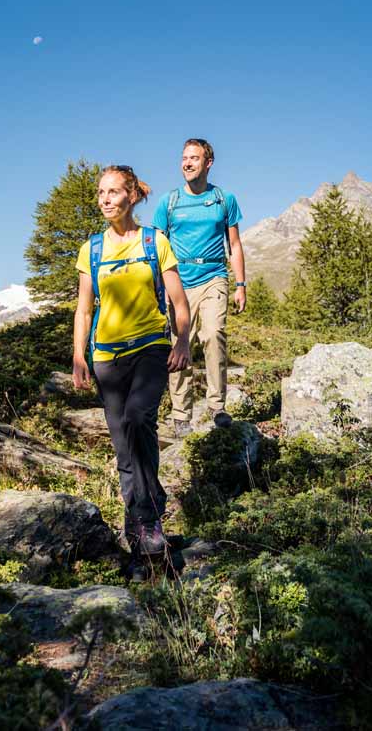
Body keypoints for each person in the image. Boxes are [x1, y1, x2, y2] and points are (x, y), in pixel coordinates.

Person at [72, 165, 191, 577]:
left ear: (131, 197)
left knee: (139, 419)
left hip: (150, 349)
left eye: (113, 193)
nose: (105, 199)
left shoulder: (154, 241)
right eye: (100, 193)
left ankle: (149, 515)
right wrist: (78, 356)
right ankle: (141, 531)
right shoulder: (92, 249)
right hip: (106, 356)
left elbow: (178, 299)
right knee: (124, 446)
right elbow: (84, 307)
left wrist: (182, 340)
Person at [151, 138, 246, 437]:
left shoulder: (223, 199)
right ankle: (181, 416)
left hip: (214, 275)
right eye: (184, 158)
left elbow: (234, 244)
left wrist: (240, 284)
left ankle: (217, 407)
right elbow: (155, 247)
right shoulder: (169, 202)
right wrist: (159, 286)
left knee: (214, 333)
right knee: (181, 345)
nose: (187, 163)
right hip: (178, 282)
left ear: (208, 163)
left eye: (194, 157)